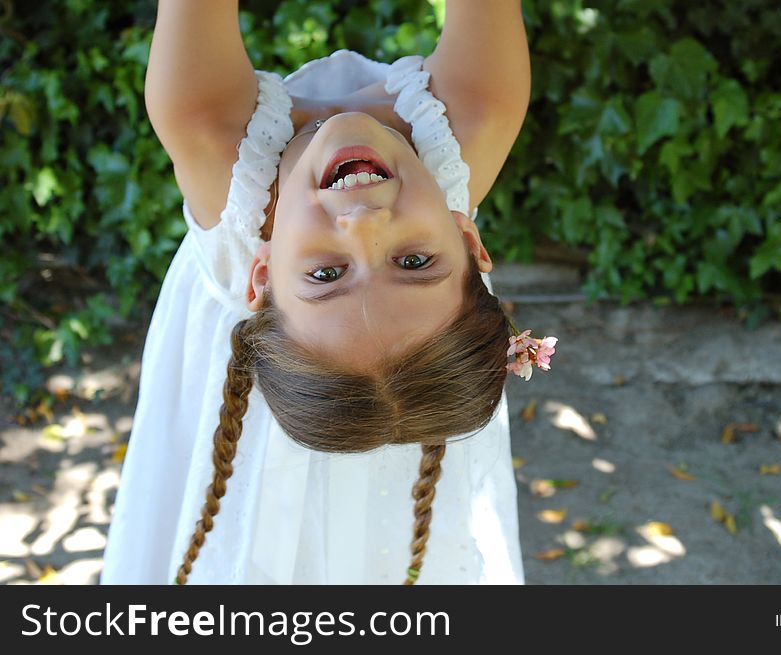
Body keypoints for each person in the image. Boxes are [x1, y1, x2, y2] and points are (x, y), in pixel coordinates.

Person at [101, 0, 557, 585]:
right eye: (413, 262)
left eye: (325, 275)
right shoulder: (477, 112)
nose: (364, 222)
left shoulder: (203, 123)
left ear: (260, 278)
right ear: (469, 242)